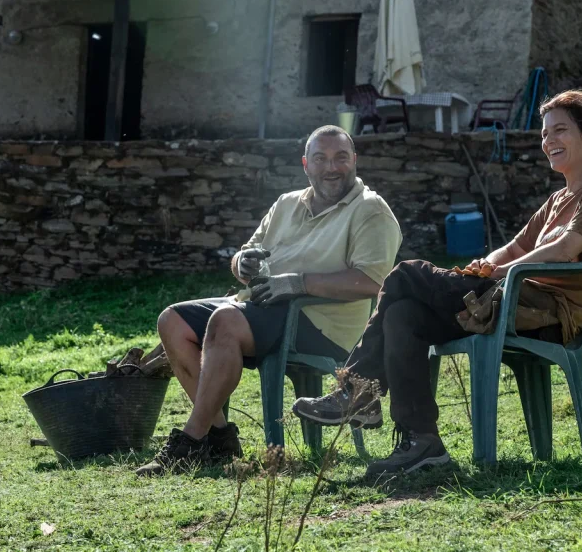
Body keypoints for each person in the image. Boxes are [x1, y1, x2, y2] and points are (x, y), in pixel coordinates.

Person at [292, 90, 582, 478]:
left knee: (406, 274)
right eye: (544, 133)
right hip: (511, 299)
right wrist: (486, 264)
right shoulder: (560, 197)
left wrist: (505, 271)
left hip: (544, 311)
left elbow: (566, 247)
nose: (548, 141)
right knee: (403, 314)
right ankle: (422, 442)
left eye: (559, 131)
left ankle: (357, 392)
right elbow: (518, 244)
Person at [136, 125, 402, 476]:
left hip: (323, 323)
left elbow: (372, 281)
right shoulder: (287, 203)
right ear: (306, 164)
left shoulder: (371, 210)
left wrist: (298, 282)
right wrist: (242, 263)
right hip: (265, 307)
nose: (331, 167)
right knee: (173, 320)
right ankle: (218, 438)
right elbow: (245, 258)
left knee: (225, 321)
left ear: (355, 160)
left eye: (341, 157)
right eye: (320, 159)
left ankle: (190, 441)